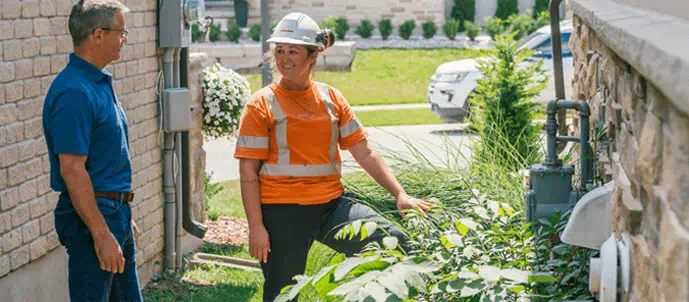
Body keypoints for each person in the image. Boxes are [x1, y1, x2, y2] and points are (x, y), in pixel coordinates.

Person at [234, 12, 433, 302]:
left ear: (312, 56)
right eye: (279, 51)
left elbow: (364, 151)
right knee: (282, 295)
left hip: (332, 206)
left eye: (293, 51)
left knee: (396, 245)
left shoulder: (332, 98)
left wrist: (399, 194)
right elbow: (248, 173)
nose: (284, 58)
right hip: (281, 212)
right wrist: (256, 228)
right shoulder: (260, 104)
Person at [42, 1, 142, 301]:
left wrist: (123, 213)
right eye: (121, 33)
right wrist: (101, 234)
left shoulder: (96, 83)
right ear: (98, 35)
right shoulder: (74, 91)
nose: (124, 39)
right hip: (93, 220)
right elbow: (72, 169)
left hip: (114, 213)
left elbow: (106, 157)